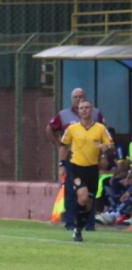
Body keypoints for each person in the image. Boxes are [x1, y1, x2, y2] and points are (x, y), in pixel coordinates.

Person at [45, 87, 105, 231]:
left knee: (91, 192)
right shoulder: (64, 115)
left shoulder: (96, 114)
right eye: (76, 97)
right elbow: (50, 129)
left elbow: (105, 133)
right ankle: (71, 222)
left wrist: (101, 152)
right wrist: (59, 146)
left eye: (81, 96)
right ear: (71, 99)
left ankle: (89, 223)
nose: (79, 99)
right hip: (73, 158)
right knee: (72, 191)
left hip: (91, 159)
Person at [59, 99, 114, 241]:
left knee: (88, 204)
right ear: (78, 111)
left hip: (92, 170)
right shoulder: (72, 128)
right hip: (75, 167)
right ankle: (73, 224)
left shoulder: (100, 128)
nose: (84, 110)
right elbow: (63, 145)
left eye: (87, 108)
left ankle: (78, 228)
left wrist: (104, 147)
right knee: (82, 196)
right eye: (81, 108)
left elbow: (111, 145)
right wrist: (61, 165)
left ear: (92, 111)